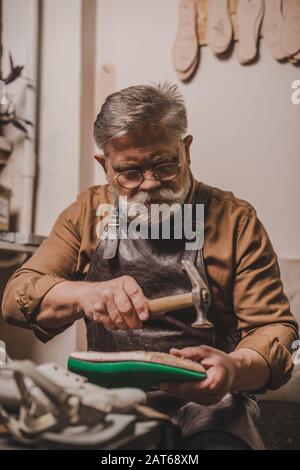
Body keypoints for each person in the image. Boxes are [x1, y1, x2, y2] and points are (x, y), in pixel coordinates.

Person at [2, 83, 298, 449]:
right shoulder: (86, 213)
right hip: (106, 396)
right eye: (129, 172)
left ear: (186, 149)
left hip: (209, 402)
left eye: (164, 165)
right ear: (105, 165)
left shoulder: (235, 221)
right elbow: (18, 295)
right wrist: (85, 294)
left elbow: (273, 327)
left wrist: (235, 368)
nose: (151, 184)